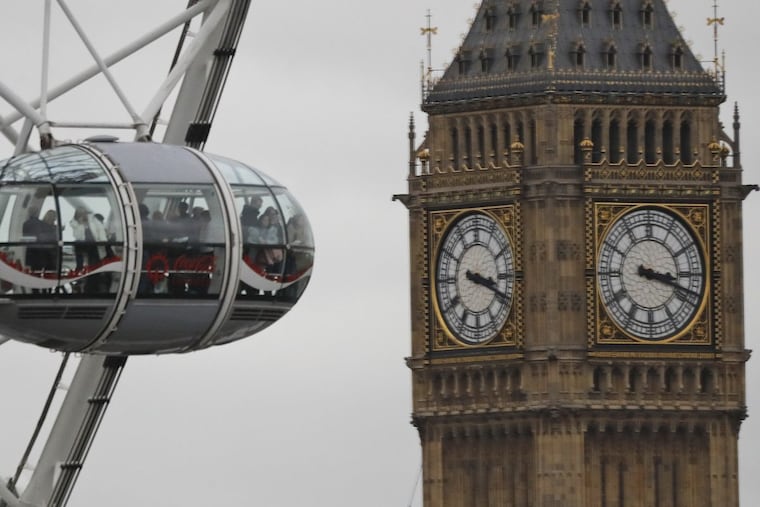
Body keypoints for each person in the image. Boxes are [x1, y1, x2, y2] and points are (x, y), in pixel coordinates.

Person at [70, 207, 109, 293]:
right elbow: (78, 236)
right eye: (81, 214)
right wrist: (80, 224)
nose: (83, 215)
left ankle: (93, 284)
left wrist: (103, 241)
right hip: (84, 246)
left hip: (94, 246)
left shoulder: (94, 221)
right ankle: (84, 282)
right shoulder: (75, 223)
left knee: (95, 265)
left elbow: (100, 230)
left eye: (84, 213)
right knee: (86, 262)